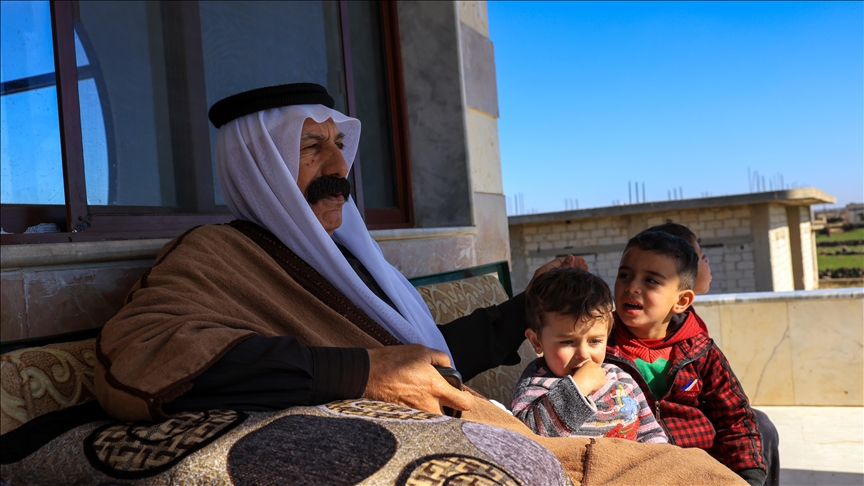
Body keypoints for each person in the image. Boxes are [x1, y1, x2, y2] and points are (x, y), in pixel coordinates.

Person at [93, 83, 749, 485]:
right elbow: (142, 351)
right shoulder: (216, 255)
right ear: (259, 168)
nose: (338, 165)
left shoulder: (342, 260)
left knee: (693, 473)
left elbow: (421, 358)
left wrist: (529, 306)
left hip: (484, 425)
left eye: (338, 144)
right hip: (451, 441)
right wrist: (362, 373)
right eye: (311, 148)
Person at [604, 230, 767, 486]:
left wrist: (749, 476)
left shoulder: (701, 352)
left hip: (702, 471)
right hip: (633, 473)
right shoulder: (599, 347)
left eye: (651, 281)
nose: (632, 287)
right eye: (624, 275)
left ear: (681, 301)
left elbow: (735, 419)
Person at [647, 222, 780, 486]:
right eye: (701, 256)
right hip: (666, 453)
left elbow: (730, 408)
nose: (707, 262)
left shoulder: (694, 336)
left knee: (758, 428)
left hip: (700, 433)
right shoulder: (610, 345)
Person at [511, 268, 667, 444]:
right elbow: (529, 436)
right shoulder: (535, 386)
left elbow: (650, 433)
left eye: (595, 341)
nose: (584, 354)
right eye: (568, 342)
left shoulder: (621, 379)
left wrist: (660, 454)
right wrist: (578, 388)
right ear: (536, 341)